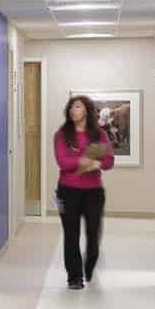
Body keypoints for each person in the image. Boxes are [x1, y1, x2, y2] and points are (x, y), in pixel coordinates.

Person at [54, 94, 115, 290]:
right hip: (67, 192)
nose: (73, 110)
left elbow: (108, 162)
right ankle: (74, 277)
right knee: (70, 235)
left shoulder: (100, 135)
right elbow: (62, 161)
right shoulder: (62, 134)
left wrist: (94, 162)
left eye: (78, 107)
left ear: (87, 110)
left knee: (93, 233)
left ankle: (89, 265)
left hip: (93, 193)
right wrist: (82, 161)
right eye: (71, 107)